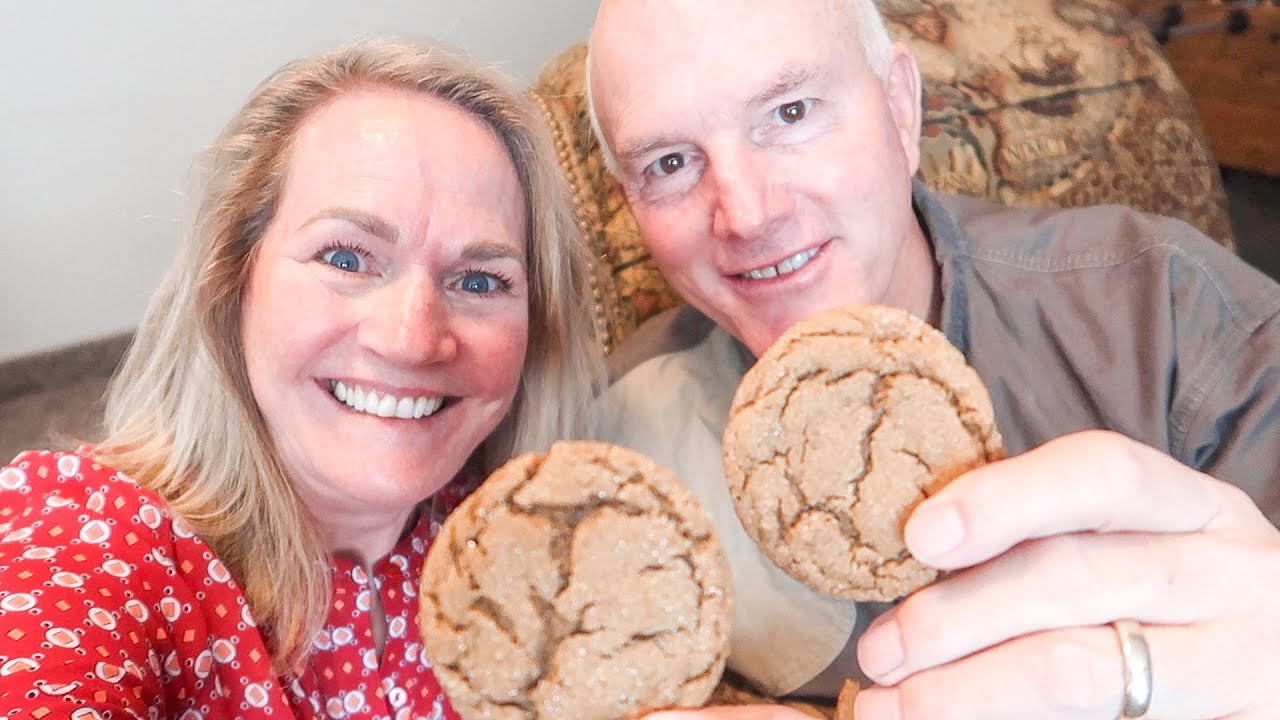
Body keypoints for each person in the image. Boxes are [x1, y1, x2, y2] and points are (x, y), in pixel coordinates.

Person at [584, 1, 1280, 718]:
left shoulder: (1171, 315)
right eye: (669, 163)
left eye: (790, 113)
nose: (747, 214)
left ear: (900, 108)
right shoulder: (611, 450)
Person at [0, 37, 604, 719]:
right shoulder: (88, 539)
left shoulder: (539, 548)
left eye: (479, 280)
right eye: (346, 258)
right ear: (234, 282)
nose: (410, 341)